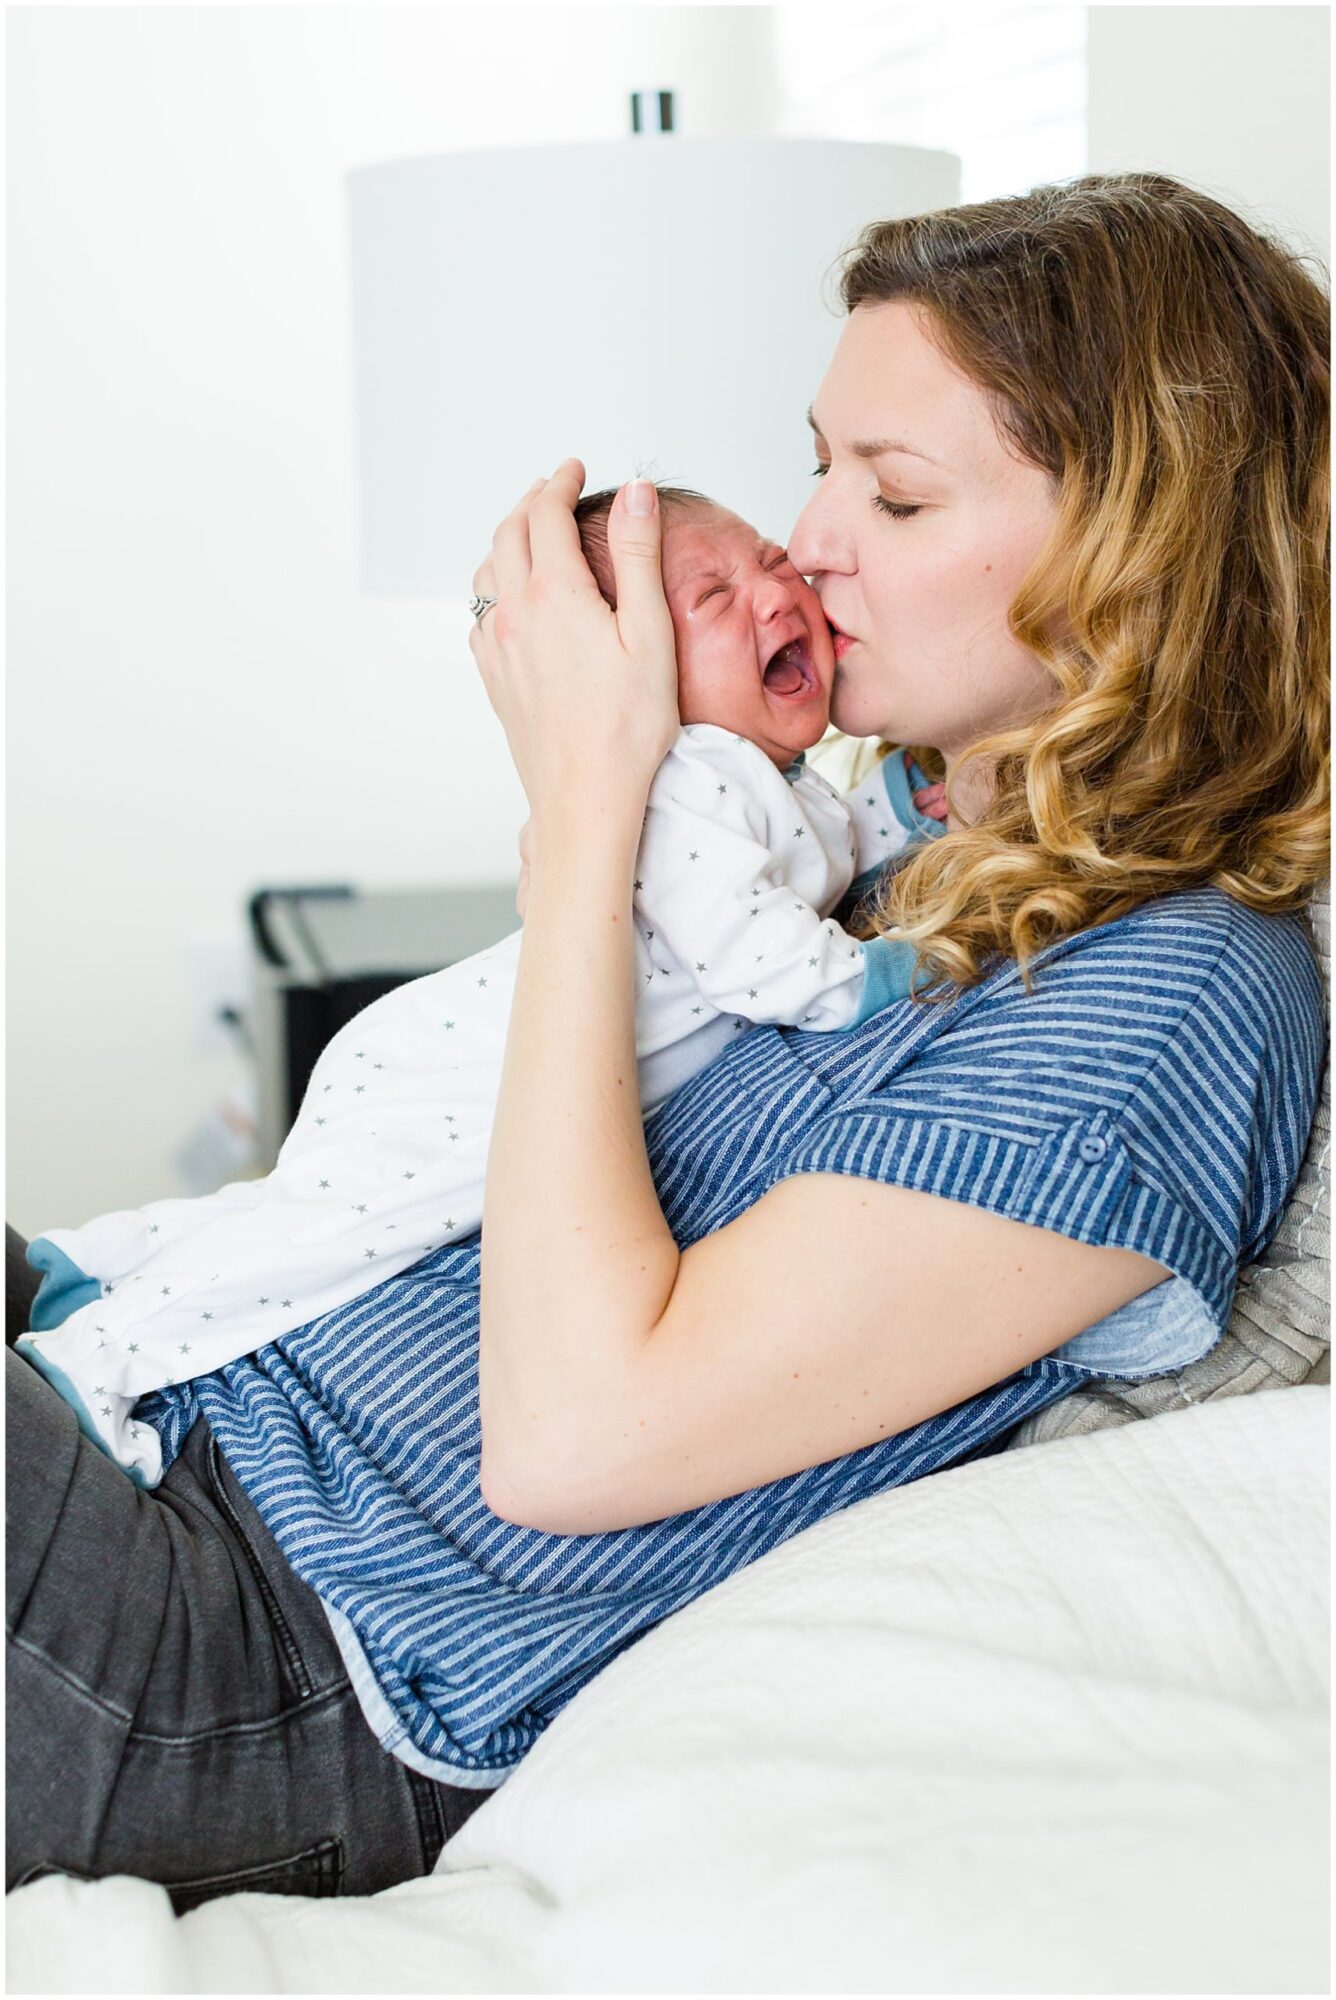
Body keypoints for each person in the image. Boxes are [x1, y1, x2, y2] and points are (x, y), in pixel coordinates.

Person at [7, 172, 1327, 1915]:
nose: (812, 536)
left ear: (1139, 558)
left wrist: (585, 816)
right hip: (164, 1417)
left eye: (899, 493)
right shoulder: (873, 849)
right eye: (822, 459)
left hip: (254, 1641)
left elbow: (576, 1438)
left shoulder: (1168, 999)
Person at [14, 489, 943, 1488]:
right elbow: (764, 961)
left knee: (300, 1210)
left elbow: (830, 844)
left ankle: (98, 1265)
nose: (773, 590)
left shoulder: (764, 772)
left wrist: (902, 803)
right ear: (634, 675)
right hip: (466, 1074)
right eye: (712, 595)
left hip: (463, 1042)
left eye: (764, 557)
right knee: (333, 1240)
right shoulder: (688, 779)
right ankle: (106, 1352)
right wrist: (894, 970)